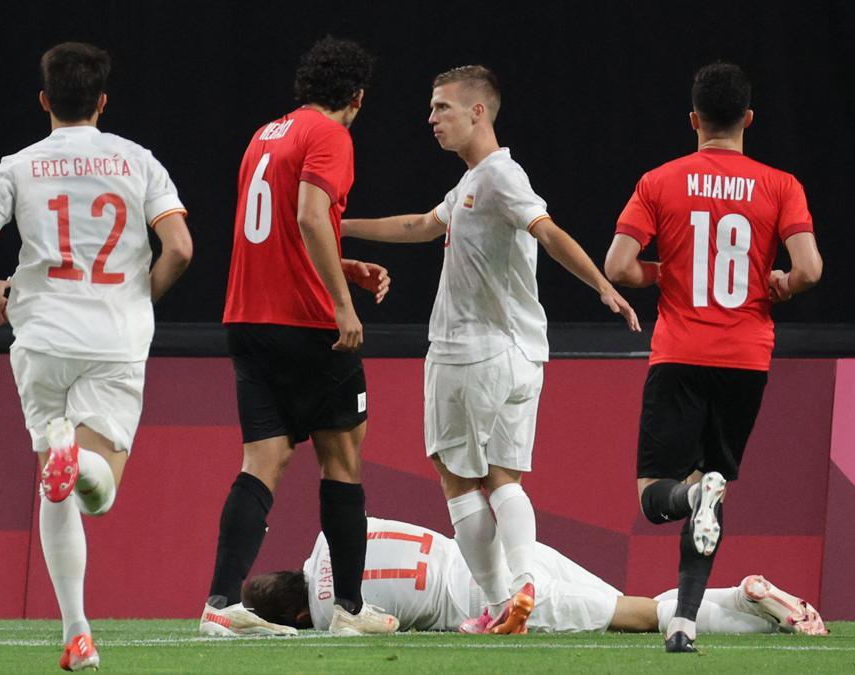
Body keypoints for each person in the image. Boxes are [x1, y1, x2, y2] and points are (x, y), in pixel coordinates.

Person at [341, 65, 639, 634]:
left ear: (478, 112)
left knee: (455, 477)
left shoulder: (500, 177)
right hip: (522, 356)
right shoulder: (471, 185)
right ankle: (523, 586)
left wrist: (602, 286)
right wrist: (341, 226)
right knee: (503, 479)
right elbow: (421, 226)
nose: (431, 119)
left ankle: (502, 601)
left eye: (442, 108)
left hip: (469, 351)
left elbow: (546, 229)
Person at [0, 42, 193, 672]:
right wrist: (143, 295)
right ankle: (79, 460)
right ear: (103, 101)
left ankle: (77, 633)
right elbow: (181, 247)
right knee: (99, 493)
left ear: (44, 100)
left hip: (40, 338)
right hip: (114, 335)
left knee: (52, 496)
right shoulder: (139, 162)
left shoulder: (17, 166)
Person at [603, 62, 823, 654]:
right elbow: (809, 269)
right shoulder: (781, 185)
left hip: (679, 354)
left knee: (659, 497)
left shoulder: (660, 180)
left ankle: (692, 523)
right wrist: (783, 283)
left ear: (694, 120)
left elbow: (619, 267)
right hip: (746, 359)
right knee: (713, 482)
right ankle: (683, 624)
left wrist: (662, 271)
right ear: (748, 119)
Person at [202, 36, 396, 638]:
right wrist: (343, 304)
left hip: (247, 317)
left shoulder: (266, 134)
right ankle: (350, 611)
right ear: (357, 98)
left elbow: (282, 229)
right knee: (342, 458)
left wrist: (345, 265)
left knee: (262, 460)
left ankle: (221, 604)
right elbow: (311, 216)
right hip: (305, 324)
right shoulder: (331, 135)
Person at [242, 516, 828, 636]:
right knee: (637, 604)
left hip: (487, 600)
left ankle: (753, 607)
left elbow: (388, 625)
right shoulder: (329, 535)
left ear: (296, 615)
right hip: (499, 553)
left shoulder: (325, 618)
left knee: (644, 616)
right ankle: (745, 599)